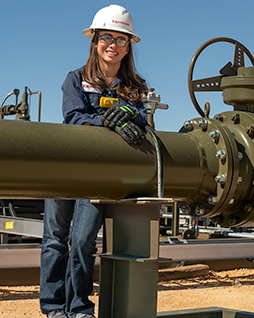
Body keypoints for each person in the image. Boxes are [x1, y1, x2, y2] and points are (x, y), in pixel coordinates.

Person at [39, 4, 149, 318]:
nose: (113, 45)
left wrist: (131, 114)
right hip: (66, 167)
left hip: (99, 175)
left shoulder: (135, 89)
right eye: (107, 38)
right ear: (95, 41)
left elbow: (144, 121)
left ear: (129, 47)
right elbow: (74, 117)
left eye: (121, 39)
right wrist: (108, 121)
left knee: (84, 240)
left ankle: (79, 307)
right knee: (56, 239)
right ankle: (53, 306)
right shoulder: (75, 79)